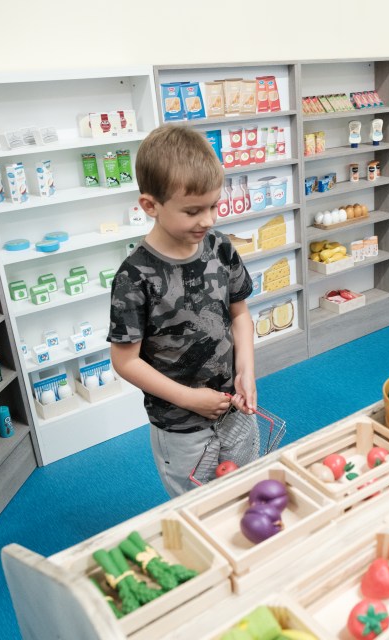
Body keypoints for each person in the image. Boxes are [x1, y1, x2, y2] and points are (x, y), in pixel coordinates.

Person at [108, 125, 257, 498]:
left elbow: (240, 314)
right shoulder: (134, 277)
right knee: (198, 506)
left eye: (213, 206)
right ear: (150, 206)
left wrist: (246, 371)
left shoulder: (221, 248)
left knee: (247, 487)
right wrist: (190, 399)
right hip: (180, 426)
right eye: (193, 211)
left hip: (234, 406)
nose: (208, 220)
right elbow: (125, 362)